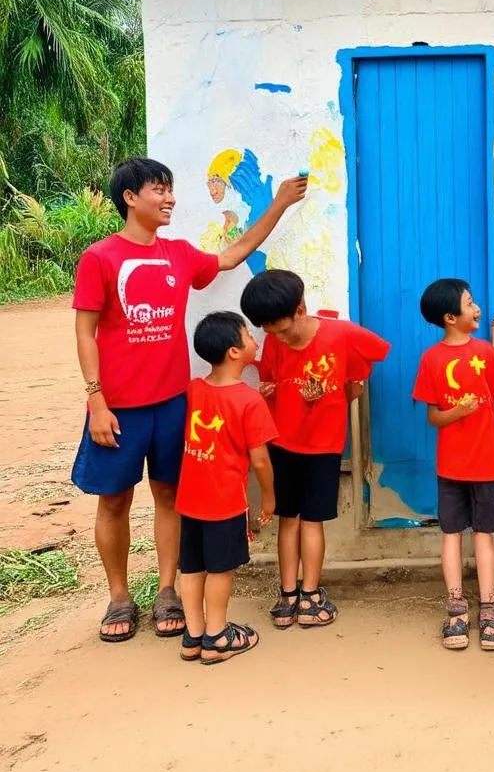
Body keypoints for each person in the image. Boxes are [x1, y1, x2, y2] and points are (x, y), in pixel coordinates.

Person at [71, 156, 306, 644]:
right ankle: (118, 596)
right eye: (159, 189)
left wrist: (279, 202)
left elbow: (235, 252)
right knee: (113, 500)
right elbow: (86, 330)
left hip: (174, 403)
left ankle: (167, 590)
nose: (170, 198)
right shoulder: (100, 258)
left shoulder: (178, 254)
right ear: (130, 198)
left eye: (171, 189)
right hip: (117, 407)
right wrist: (96, 400)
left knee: (169, 497)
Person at [240, 269, 390, 629]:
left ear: (301, 309)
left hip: (323, 447)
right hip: (282, 444)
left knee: (312, 520)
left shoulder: (341, 333)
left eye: (282, 329)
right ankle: (287, 594)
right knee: (286, 519)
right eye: (268, 332)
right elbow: (271, 380)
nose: (276, 338)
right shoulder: (275, 341)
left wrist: (351, 382)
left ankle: (309, 594)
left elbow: (377, 352)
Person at [413, 278, 494, 651]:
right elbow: (434, 418)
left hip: (486, 464)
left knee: (484, 535)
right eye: (470, 303)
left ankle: (488, 609)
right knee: (451, 534)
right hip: (451, 467)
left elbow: (492, 369)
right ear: (450, 316)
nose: (477, 308)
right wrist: (460, 410)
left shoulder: (485, 352)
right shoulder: (431, 359)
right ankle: (457, 610)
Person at [176, 312, 276, 664]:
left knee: (191, 566)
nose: (255, 339)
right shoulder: (250, 401)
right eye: (249, 334)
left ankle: (194, 634)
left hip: (189, 499)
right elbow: (261, 461)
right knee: (221, 568)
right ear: (235, 352)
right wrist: (269, 496)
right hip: (225, 502)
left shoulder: (193, 390)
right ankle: (217, 636)